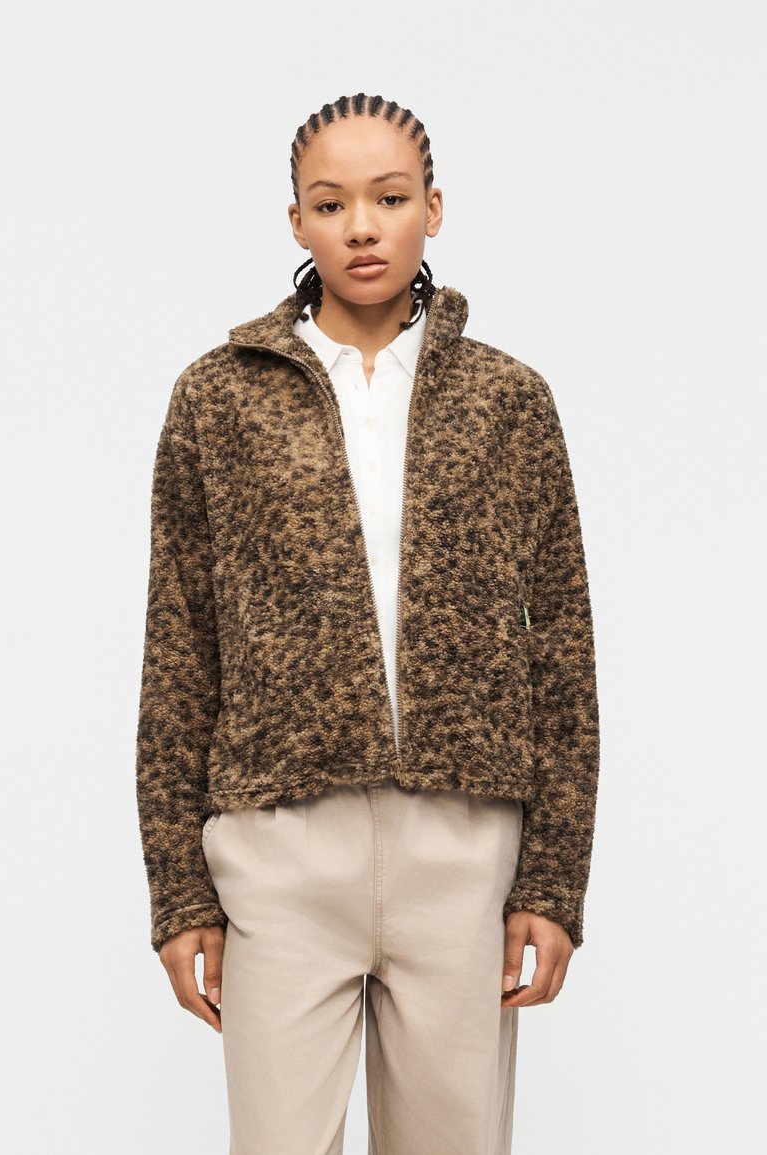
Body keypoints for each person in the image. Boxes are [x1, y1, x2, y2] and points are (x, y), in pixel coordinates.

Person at [135, 92, 601, 1155]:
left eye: (388, 199)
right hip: (277, 851)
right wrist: (179, 891)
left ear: (432, 209)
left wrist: (552, 879)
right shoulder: (217, 399)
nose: (360, 227)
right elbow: (179, 647)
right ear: (295, 221)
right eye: (330, 202)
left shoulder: (508, 401)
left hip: (463, 851)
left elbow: (562, 650)